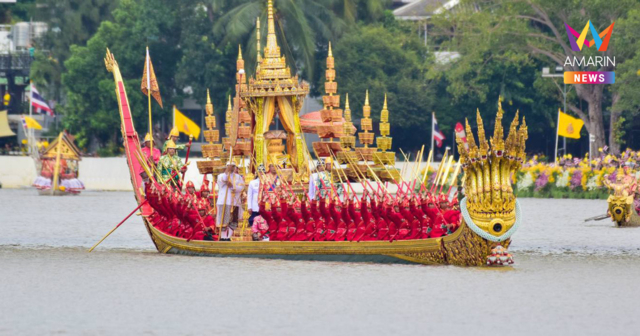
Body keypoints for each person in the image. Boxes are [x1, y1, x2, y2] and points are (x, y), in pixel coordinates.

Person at [216, 162, 245, 241]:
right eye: (229, 166)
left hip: (235, 202)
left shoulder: (238, 177)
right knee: (223, 221)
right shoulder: (221, 176)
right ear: (226, 167)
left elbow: (242, 187)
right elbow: (223, 179)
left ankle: (228, 237)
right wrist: (227, 172)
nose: (231, 168)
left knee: (233, 221)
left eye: (233, 166)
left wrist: (233, 186)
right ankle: (223, 237)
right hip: (224, 201)